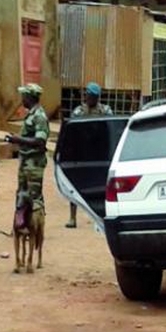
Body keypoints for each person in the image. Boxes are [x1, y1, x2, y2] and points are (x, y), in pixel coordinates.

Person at [67, 82, 112, 228]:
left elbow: (109, 130)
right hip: (82, 154)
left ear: (97, 97)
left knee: (101, 187)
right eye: (88, 95)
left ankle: (100, 217)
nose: (89, 98)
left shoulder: (105, 111)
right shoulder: (78, 112)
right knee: (73, 185)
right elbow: (72, 134)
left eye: (92, 96)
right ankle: (72, 218)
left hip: (99, 154)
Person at [6, 83, 49, 219]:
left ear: (29, 97)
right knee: (22, 193)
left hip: (34, 162)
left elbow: (40, 141)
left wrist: (18, 140)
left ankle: (37, 226)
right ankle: (21, 224)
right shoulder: (31, 114)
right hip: (26, 160)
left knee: (35, 195)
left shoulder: (39, 116)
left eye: (23, 96)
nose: (22, 99)